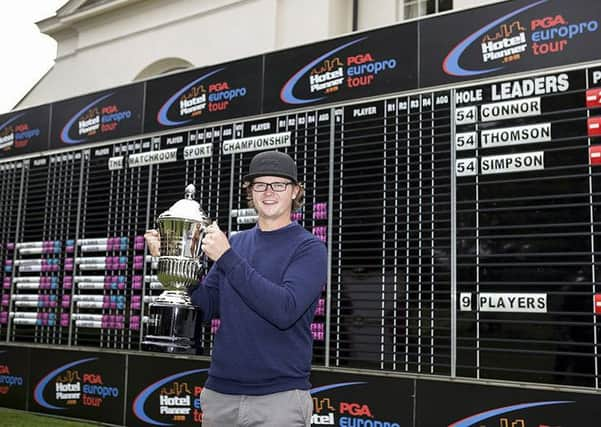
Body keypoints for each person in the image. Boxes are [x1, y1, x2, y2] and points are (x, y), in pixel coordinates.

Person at [145, 150, 327, 426]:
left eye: (278, 184)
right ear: (250, 191)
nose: (268, 192)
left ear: (295, 191)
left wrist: (227, 258)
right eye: (260, 184)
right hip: (220, 394)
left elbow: (284, 310)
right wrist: (171, 260)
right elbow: (205, 308)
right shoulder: (237, 243)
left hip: (278, 399)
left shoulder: (309, 248)